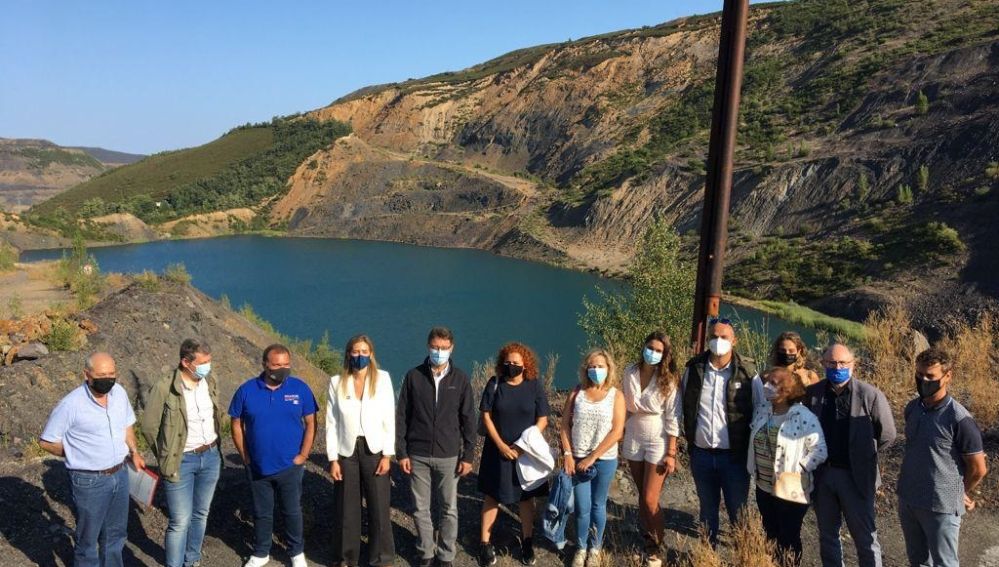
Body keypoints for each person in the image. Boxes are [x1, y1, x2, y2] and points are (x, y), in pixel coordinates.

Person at [39, 352, 145, 567]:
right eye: (102, 374)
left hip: (120, 473)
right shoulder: (71, 404)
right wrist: (75, 453)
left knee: (115, 535)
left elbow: (127, 424)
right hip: (89, 480)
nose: (108, 379)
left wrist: (134, 451)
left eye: (112, 373)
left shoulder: (120, 394)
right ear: (86, 374)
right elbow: (47, 441)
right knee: (88, 540)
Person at [805, 343, 896, 567]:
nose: (838, 367)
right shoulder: (813, 394)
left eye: (843, 363)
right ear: (823, 364)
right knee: (828, 535)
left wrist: (864, 456)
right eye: (832, 363)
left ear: (853, 364)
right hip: (823, 475)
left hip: (855, 477)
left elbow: (887, 435)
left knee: (865, 537)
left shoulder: (870, 395)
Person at [897, 348, 988, 567]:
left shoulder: (959, 419)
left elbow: (978, 468)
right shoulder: (913, 408)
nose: (923, 381)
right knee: (917, 561)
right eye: (919, 375)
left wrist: (959, 491)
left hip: (941, 506)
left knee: (944, 563)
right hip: (909, 498)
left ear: (947, 376)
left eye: (930, 376)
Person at [229, 344, 318, 567]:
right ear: (265, 364)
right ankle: (261, 552)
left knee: (292, 511)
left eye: (286, 364)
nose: (282, 369)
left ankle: (296, 553)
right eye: (277, 365)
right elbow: (236, 423)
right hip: (258, 466)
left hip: (290, 465)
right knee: (261, 512)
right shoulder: (247, 390)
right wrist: (245, 455)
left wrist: (304, 455)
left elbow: (311, 423)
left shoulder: (300, 389)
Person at [396, 327, 477, 567]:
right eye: (435, 347)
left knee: (449, 508)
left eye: (443, 348)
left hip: (449, 454)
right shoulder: (413, 377)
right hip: (417, 454)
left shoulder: (460, 379)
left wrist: (468, 455)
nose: (438, 352)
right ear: (428, 346)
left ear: (451, 348)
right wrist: (401, 452)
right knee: (420, 508)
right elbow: (402, 416)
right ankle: (426, 553)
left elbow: (468, 420)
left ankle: (446, 555)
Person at [141, 339, 225, 567]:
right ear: (186, 362)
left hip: (210, 456)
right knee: (179, 520)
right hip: (181, 462)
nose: (208, 366)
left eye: (209, 361)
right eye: (203, 362)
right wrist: (166, 455)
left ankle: (192, 560)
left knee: (201, 514)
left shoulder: (210, 380)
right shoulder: (165, 387)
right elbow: (149, 426)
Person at [680, 318, 763, 543]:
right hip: (702, 455)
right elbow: (682, 405)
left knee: (739, 511)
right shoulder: (694, 369)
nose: (718, 341)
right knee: (707, 510)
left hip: (734, 457)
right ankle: (708, 554)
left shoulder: (748, 372)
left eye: (724, 337)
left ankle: (744, 555)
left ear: (733, 340)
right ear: (707, 340)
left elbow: (761, 410)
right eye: (714, 337)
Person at [478, 342, 551, 567]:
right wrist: (500, 445)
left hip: (526, 453)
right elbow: (486, 416)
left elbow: (543, 419)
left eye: (516, 363)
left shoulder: (534, 385)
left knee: (526, 497)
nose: (511, 366)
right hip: (497, 451)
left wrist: (522, 445)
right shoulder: (495, 384)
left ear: (525, 364)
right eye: (507, 362)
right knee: (492, 496)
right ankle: (484, 544)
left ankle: (527, 542)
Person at [327, 334, 396, 567]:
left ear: (371, 354)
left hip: (374, 450)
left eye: (364, 352)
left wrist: (388, 454)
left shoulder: (383, 379)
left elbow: (389, 418)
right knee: (347, 509)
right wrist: (333, 459)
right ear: (348, 354)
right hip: (347, 452)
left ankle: (382, 559)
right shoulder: (336, 382)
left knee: (379, 506)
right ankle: (346, 559)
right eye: (356, 351)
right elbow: (331, 423)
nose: (360, 356)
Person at [748, 367, 827, 566]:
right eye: (767, 381)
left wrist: (797, 468)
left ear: (788, 390)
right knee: (770, 532)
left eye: (774, 383)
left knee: (789, 537)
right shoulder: (762, 410)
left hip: (791, 490)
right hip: (764, 486)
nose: (767, 386)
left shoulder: (803, 416)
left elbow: (820, 451)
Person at [560, 348, 626, 567]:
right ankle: (581, 548)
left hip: (605, 459)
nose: (596, 370)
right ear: (585, 369)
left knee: (598, 505)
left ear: (609, 369)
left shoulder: (616, 395)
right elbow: (564, 427)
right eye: (592, 366)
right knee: (581, 506)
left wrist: (593, 457)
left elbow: (617, 431)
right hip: (578, 458)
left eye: (600, 366)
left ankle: (595, 549)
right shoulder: (577, 392)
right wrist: (568, 455)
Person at [621, 331, 681, 566]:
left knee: (649, 498)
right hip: (634, 433)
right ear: (643, 347)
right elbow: (625, 406)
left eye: (658, 351)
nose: (653, 353)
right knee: (641, 493)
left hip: (657, 437)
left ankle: (657, 547)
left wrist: (671, 452)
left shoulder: (669, 378)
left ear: (664, 354)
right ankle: (648, 539)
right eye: (650, 348)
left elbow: (674, 416)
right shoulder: (630, 371)